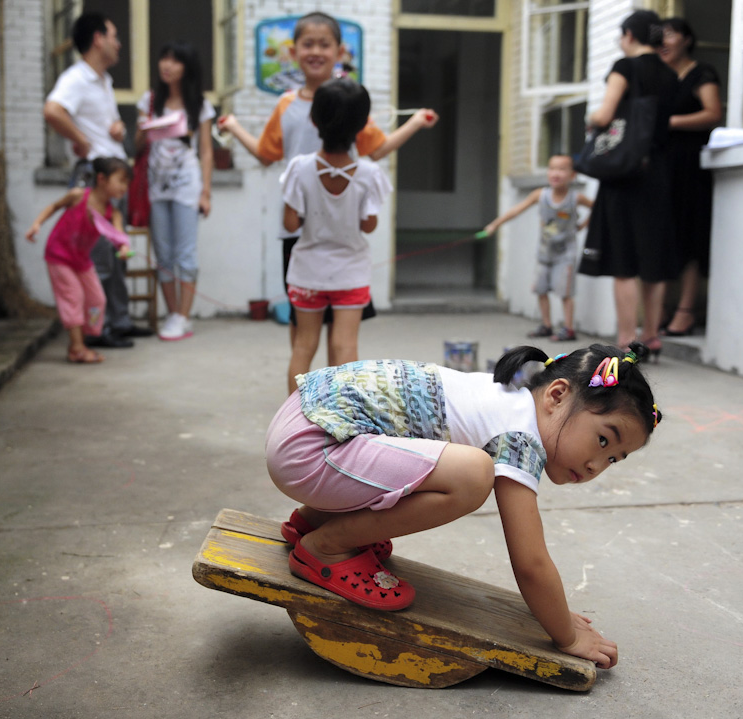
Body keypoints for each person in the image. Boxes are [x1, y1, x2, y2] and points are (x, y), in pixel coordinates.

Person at [266, 342, 662, 668]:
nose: (597, 465)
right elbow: (531, 561)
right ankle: (326, 547)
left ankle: (311, 522)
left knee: (447, 464)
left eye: (613, 459)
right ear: (557, 395)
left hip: (308, 424)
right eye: (604, 440)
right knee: (472, 475)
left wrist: (553, 611)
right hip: (312, 448)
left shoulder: (508, 398)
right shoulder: (519, 435)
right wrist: (567, 634)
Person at [218, 11, 437, 359]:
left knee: (339, 331)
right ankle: (308, 396)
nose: (316, 51)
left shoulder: (348, 102)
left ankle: (331, 397)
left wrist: (413, 124)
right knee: (303, 329)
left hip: (339, 230)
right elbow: (265, 153)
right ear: (293, 51)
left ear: (339, 51)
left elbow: (377, 149)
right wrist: (232, 126)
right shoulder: (287, 104)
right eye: (308, 44)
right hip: (298, 231)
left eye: (324, 44)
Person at [43, 12, 153, 349]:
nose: (119, 43)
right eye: (114, 35)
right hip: (94, 176)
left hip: (111, 176)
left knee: (116, 250)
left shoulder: (102, 80)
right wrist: (83, 140)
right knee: (98, 256)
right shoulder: (77, 78)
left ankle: (118, 322)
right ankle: (97, 329)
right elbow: (52, 111)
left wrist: (116, 130)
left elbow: (102, 123)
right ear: (97, 39)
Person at [279, 78, 392, 394]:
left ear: (314, 120)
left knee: (303, 346)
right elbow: (368, 226)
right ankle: (342, 419)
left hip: (306, 273)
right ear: (362, 125)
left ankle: (295, 422)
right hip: (350, 273)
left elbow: (290, 224)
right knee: (345, 347)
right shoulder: (370, 174)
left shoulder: (299, 168)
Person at [578, 10, 679, 357]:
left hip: (624, 173)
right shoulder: (670, 74)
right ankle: (651, 335)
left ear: (629, 36)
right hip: (659, 171)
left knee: (623, 261)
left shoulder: (624, 67)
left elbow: (605, 115)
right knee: (653, 257)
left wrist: (592, 119)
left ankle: (626, 339)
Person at [136, 42, 214, 341]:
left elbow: (206, 152)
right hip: (156, 187)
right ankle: (172, 314)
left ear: (187, 67)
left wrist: (205, 193)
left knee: (186, 255)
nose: (166, 65)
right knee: (163, 254)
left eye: (175, 61)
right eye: (163, 58)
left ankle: (183, 316)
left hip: (187, 186)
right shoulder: (150, 100)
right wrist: (143, 128)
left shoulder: (200, 105)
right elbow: (138, 146)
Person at [26, 157, 133, 364]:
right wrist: (36, 224)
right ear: (101, 179)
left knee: (97, 300)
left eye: (127, 183)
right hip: (59, 256)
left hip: (82, 260)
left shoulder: (113, 212)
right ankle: (77, 347)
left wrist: (124, 249)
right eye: (121, 181)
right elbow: (54, 207)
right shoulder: (78, 196)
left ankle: (81, 341)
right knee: (73, 297)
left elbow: (120, 237)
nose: (124, 187)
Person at [482, 154, 593, 342]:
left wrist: (583, 225)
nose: (555, 173)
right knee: (541, 289)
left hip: (566, 254)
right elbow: (516, 210)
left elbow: (597, 208)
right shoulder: (540, 195)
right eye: (551, 168)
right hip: (544, 252)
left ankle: (568, 329)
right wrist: (495, 224)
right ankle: (546, 325)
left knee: (565, 292)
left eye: (561, 169)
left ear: (572, 175)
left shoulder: (576, 198)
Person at [659, 18, 723, 337]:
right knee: (664, 238)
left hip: (691, 165)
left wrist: (667, 121)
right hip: (662, 167)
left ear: (686, 38)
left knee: (690, 238)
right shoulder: (658, 77)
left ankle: (686, 310)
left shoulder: (702, 72)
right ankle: (661, 309)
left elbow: (713, 113)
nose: (662, 41)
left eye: (668, 34)